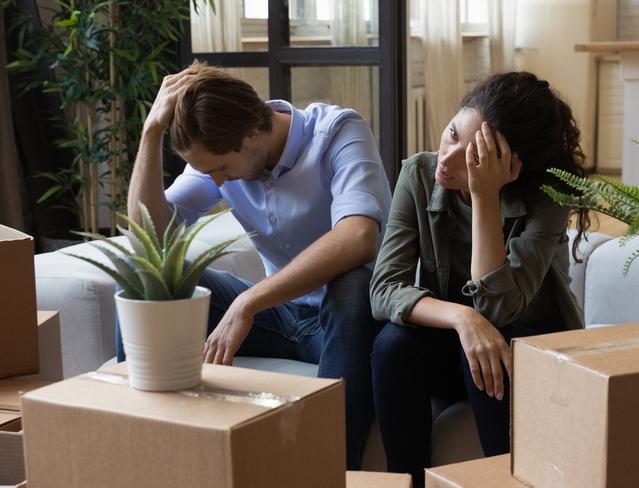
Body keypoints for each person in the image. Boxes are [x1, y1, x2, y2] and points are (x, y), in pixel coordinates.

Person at [118, 61, 392, 469]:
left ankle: (335, 470)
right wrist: (150, 132)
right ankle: (138, 450)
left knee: (351, 284)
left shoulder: (338, 133)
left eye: (222, 169)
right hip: (281, 317)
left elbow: (358, 237)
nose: (219, 183)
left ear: (252, 134)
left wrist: (248, 301)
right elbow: (149, 237)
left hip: (347, 321)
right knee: (148, 281)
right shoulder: (221, 151)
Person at [369, 72, 589, 487]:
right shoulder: (418, 174)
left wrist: (485, 195)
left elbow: (498, 309)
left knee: (493, 346)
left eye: (471, 158)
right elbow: (383, 290)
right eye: (451, 134)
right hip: (457, 344)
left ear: (512, 165)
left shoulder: (548, 196)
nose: (446, 161)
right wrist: (463, 319)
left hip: (526, 352)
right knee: (392, 345)